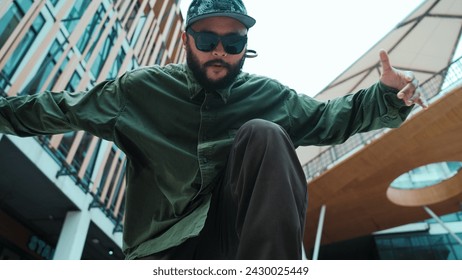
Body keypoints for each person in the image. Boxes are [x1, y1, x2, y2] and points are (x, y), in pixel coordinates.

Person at [0, 0, 426, 260]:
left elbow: (330, 117)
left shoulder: (267, 94)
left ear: (245, 47)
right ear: (187, 41)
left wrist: (387, 97)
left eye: (234, 42)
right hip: (159, 247)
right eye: (207, 41)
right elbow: (58, 108)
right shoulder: (140, 91)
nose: (220, 52)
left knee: (265, 133)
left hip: (232, 242)